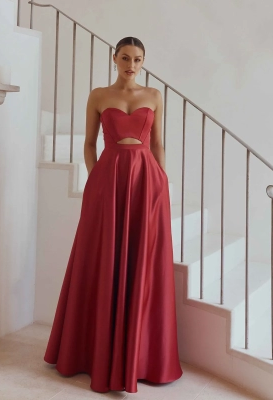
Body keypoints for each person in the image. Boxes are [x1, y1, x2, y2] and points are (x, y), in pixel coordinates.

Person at [43, 36, 183, 393]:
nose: (131, 65)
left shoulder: (154, 96)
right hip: (109, 180)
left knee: (141, 263)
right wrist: (97, 180)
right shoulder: (98, 95)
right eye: (125, 57)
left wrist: (162, 182)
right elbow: (89, 144)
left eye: (137, 59)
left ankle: (138, 357)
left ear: (143, 62)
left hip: (146, 181)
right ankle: (91, 354)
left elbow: (158, 144)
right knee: (100, 260)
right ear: (114, 58)